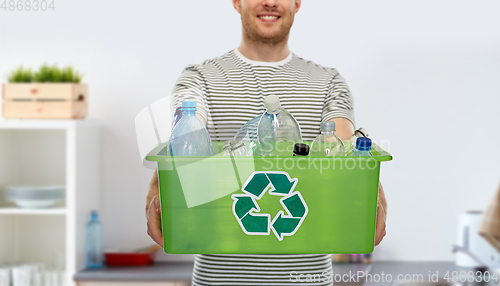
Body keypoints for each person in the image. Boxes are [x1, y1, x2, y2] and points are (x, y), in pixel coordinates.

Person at [146, 0, 387, 285]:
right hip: (220, 279)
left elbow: (344, 145)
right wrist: (158, 188)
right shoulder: (200, 78)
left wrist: (375, 192)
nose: (270, 2)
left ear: (297, 3)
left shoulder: (328, 82)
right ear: (237, 2)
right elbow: (185, 136)